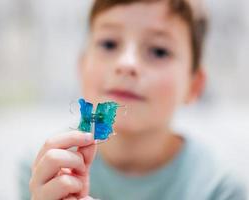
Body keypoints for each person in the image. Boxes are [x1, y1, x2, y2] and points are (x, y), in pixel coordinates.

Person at [28, 0, 247, 199]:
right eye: (109, 44)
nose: (127, 63)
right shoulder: (45, 169)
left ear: (194, 86)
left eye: (159, 51)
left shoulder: (222, 190)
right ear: (81, 66)